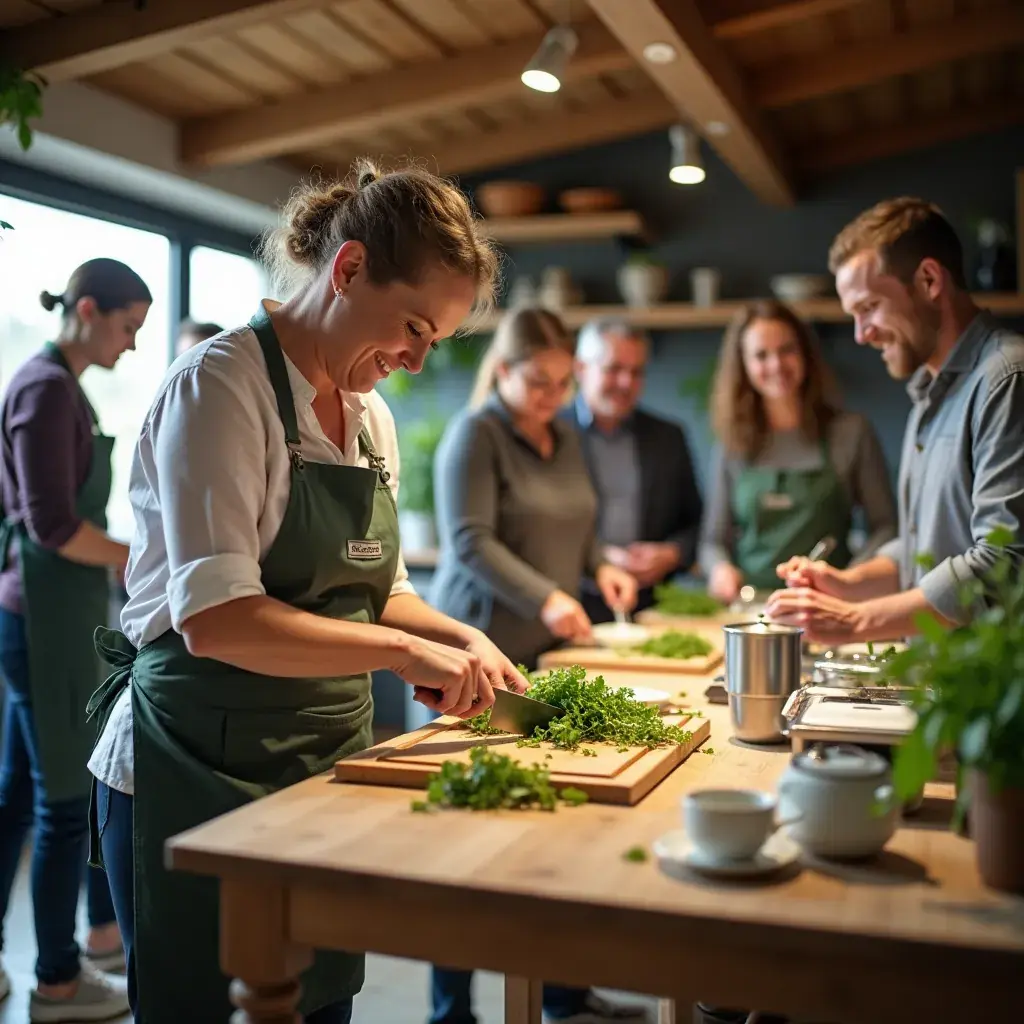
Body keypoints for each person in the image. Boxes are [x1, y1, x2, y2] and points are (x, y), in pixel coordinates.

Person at [86, 161, 529, 1024]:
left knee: (319, 1008)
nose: (414, 357)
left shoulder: (370, 418)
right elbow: (216, 620)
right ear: (349, 268)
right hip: (190, 770)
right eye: (412, 326)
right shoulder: (220, 385)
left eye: (434, 341)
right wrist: (405, 652)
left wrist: (461, 640)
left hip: (319, 772)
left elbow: (383, 589)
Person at [429, 306, 643, 1024]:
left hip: (545, 657)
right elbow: (468, 541)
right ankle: (451, 1010)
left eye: (562, 381)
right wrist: (549, 594)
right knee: (461, 845)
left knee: (556, 829)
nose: (552, 395)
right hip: (475, 655)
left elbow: (577, 525)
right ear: (506, 368)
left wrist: (600, 568)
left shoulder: (565, 438)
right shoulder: (475, 434)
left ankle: (563, 997)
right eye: (539, 381)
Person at [767, 197, 1024, 643]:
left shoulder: (1006, 379)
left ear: (928, 280)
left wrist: (855, 621)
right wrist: (847, 586)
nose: (861, 334)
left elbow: (1005, 562)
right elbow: (925, 545)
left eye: (868, 308)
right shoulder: (930, 393)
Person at [0, 259, 145, 1021]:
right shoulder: (46, 388)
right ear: (87, 310)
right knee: (62, 804)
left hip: (51, 614)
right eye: (127, 327)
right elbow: (51, 525)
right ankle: (57, 981)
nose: (130, 345)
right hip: (40, 620)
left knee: (20, 794)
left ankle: (41, 952)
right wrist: (137, 557)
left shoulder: (62, 387)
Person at [700, 299, 897, 605]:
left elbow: (886, 527)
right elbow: (713, 542)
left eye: (786, 350)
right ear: (744, 366)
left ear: (806, 354)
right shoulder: (731, 442)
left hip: (831, 605)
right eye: (761, 355)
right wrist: (720, 570)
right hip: (752, 610)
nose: (776, 365)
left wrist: (851, 580)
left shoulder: (850, 432)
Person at [566, 319, 703, 623]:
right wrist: (598, 558)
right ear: (581, 369)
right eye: (614, 369)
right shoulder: (551, 433)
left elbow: (698, 524)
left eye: (636, 372)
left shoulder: (668, 437)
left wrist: (672, 553)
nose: (626, 383)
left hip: (649, 608)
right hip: (568, 604)